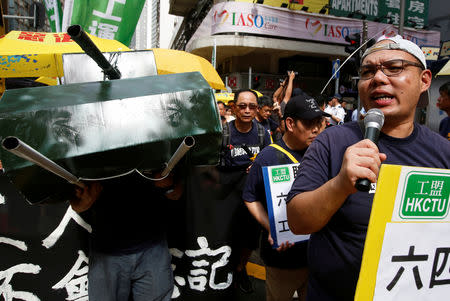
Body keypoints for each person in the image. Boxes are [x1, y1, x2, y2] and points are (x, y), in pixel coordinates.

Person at [286, 35, 450, 301]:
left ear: (425, 80)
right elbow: (297, 221)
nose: (378, 79)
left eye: (394, 67)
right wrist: (339, 185)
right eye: (367, 72)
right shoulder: (332, 141)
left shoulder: (443, 153)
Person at [243, 95, 329, 301]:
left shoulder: (321, 153)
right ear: (290, 123)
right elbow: (249, 197)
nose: (316, 129)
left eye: (319, 123)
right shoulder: (268, 157)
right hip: (282, 259)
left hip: (316, 255)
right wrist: (270, 226)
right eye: (309, 123)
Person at [69, 171, 182, 301]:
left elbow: (176, 193)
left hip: (153, 247)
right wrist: (84, 201)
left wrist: (168, 185)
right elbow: (76, 204)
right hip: (106, 251)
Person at [219, 89, 272, 293]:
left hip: (253, 198)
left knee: (250, 239)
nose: (247, 110)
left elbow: (270, 161)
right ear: (234, 107)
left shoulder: (262, 133)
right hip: (227, 196)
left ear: (257, 109)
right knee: (227, 235)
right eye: (242, 106)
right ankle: (227, 269)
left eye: (252, 106)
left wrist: (259, 166)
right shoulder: (224, 132)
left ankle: (240, 268)